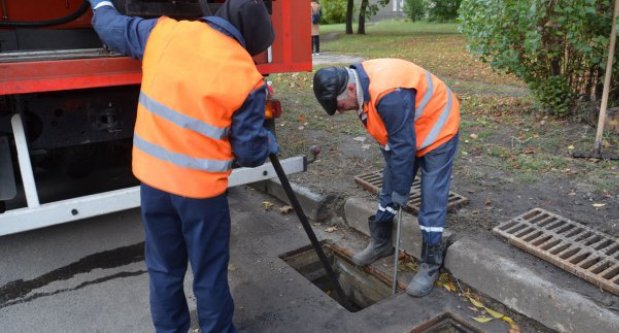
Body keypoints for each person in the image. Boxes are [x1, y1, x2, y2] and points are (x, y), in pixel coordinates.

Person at [86, 0, 279, 332]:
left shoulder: (164, 33)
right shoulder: (246, 76)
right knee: (209, 273)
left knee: (163, 269)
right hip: (201, 195)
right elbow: (249, 153)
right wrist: (269, 143)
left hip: (154, 185)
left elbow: (109, 26)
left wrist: (99, 2)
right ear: (248, 40)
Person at [312, 59, 459, 297]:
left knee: (431, 198)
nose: (339, 111)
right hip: (406, 132)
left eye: (338, 105)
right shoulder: (361, 92)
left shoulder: (388, 94)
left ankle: (430, 264)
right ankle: (381, 243)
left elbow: (404, 147)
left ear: (349, 89)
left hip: (437, 129)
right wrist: (395, 184)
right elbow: (392, 142)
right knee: (389, 187)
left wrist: (402, 190)